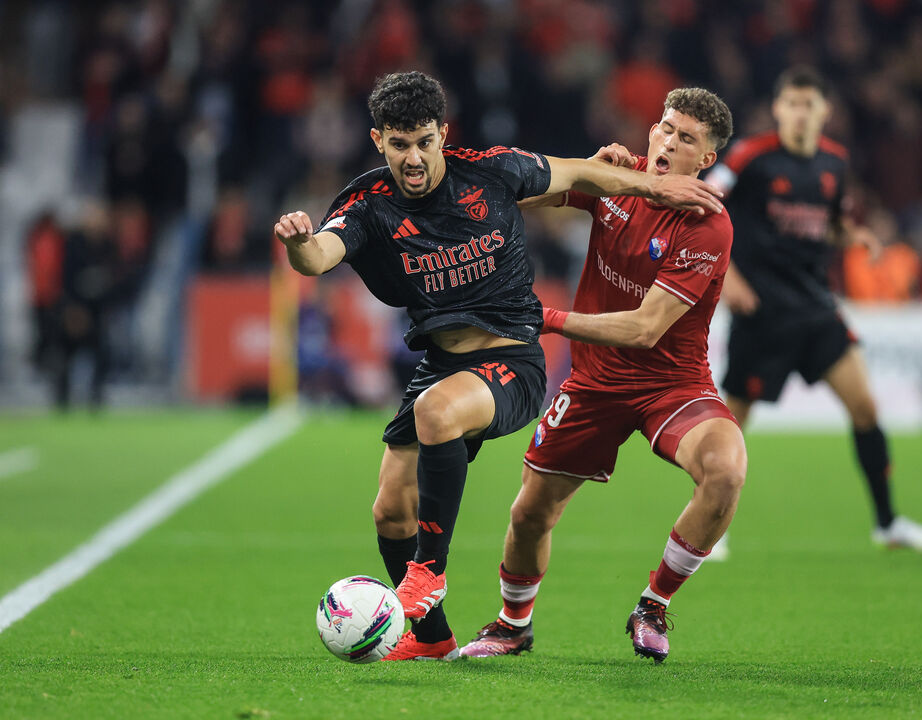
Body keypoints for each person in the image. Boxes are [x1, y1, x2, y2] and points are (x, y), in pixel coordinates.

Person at [274, 71, 724, 661]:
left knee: (438, 413)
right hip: (440, 362)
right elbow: (319, 257)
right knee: (390, 507)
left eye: (424, 141)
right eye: (399, 144)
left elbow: (580, 173)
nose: (413, 157)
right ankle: (432, 639)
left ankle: (427, 574)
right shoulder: (367, 205)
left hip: (512, 356)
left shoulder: (489, 168)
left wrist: (653, 188)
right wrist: (298, 243)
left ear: (443, 135)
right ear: (378, 141)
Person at [459, 88, 741, 664]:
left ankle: (654, 603)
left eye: (687, 138)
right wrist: (587, 170)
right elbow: (530, 199)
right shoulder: (624, 180)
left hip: (672, 384)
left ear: (705, 160)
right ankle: (513, 624)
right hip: (595, 385)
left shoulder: (707, 226)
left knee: (726, 469)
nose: (667, 141)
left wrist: (547, 318)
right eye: (665, 127)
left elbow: (643, 330)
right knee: (529, 512)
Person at [704, 66, 922, 554]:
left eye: (808, 105)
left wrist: (852, 236)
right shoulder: (750, 157)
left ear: (824, 112)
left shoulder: (834, 162)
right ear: (777, 109)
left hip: (816, 309)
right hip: (762, 313)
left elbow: (831, 224)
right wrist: (726, 275)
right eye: (791, 104)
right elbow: (704, 204)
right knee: (732, 422)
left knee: (865, 407)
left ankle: (888, 523)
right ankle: (710, 530)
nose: (799, 113)